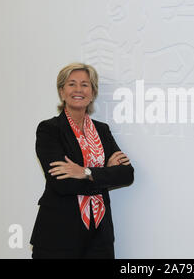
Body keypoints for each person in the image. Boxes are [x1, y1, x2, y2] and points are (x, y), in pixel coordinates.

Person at [30, 62, 134, 259]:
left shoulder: (102, 130)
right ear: (62, 92)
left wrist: (85, 172)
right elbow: (62, 184)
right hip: (58, 237)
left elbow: (127, 174)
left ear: (93, 93)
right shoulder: (49, 129)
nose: (78, 89)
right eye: (72, 84)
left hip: (99, 238)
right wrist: (104, 174)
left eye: (85, 84)